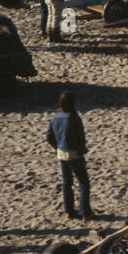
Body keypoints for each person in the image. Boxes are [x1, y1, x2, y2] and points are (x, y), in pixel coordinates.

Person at [46, 91, 92, 219]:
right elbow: (80, 137)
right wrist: (81, 149)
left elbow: (49, 137)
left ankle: (69, 211)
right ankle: (85, 212)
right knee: (84, 183)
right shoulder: (74, 117)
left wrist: (57, 148)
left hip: (61, 153)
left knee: (67, 183)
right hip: (73, 153)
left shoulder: (55, 117)